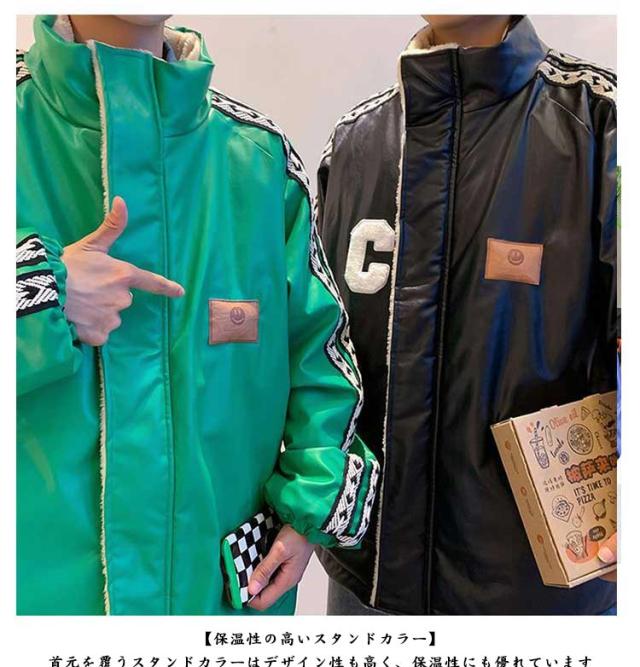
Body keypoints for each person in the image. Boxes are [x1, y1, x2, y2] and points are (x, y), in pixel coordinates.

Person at [16, 14, 378, 615]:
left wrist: (310, 514)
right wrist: (39, 293)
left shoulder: (257, 160)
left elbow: (321, 357)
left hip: (218, 600)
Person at [316, 14, 617, 615]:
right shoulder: (354, 142)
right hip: (363, 578)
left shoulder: (601, 122)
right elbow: (315, 358)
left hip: (540, 594)